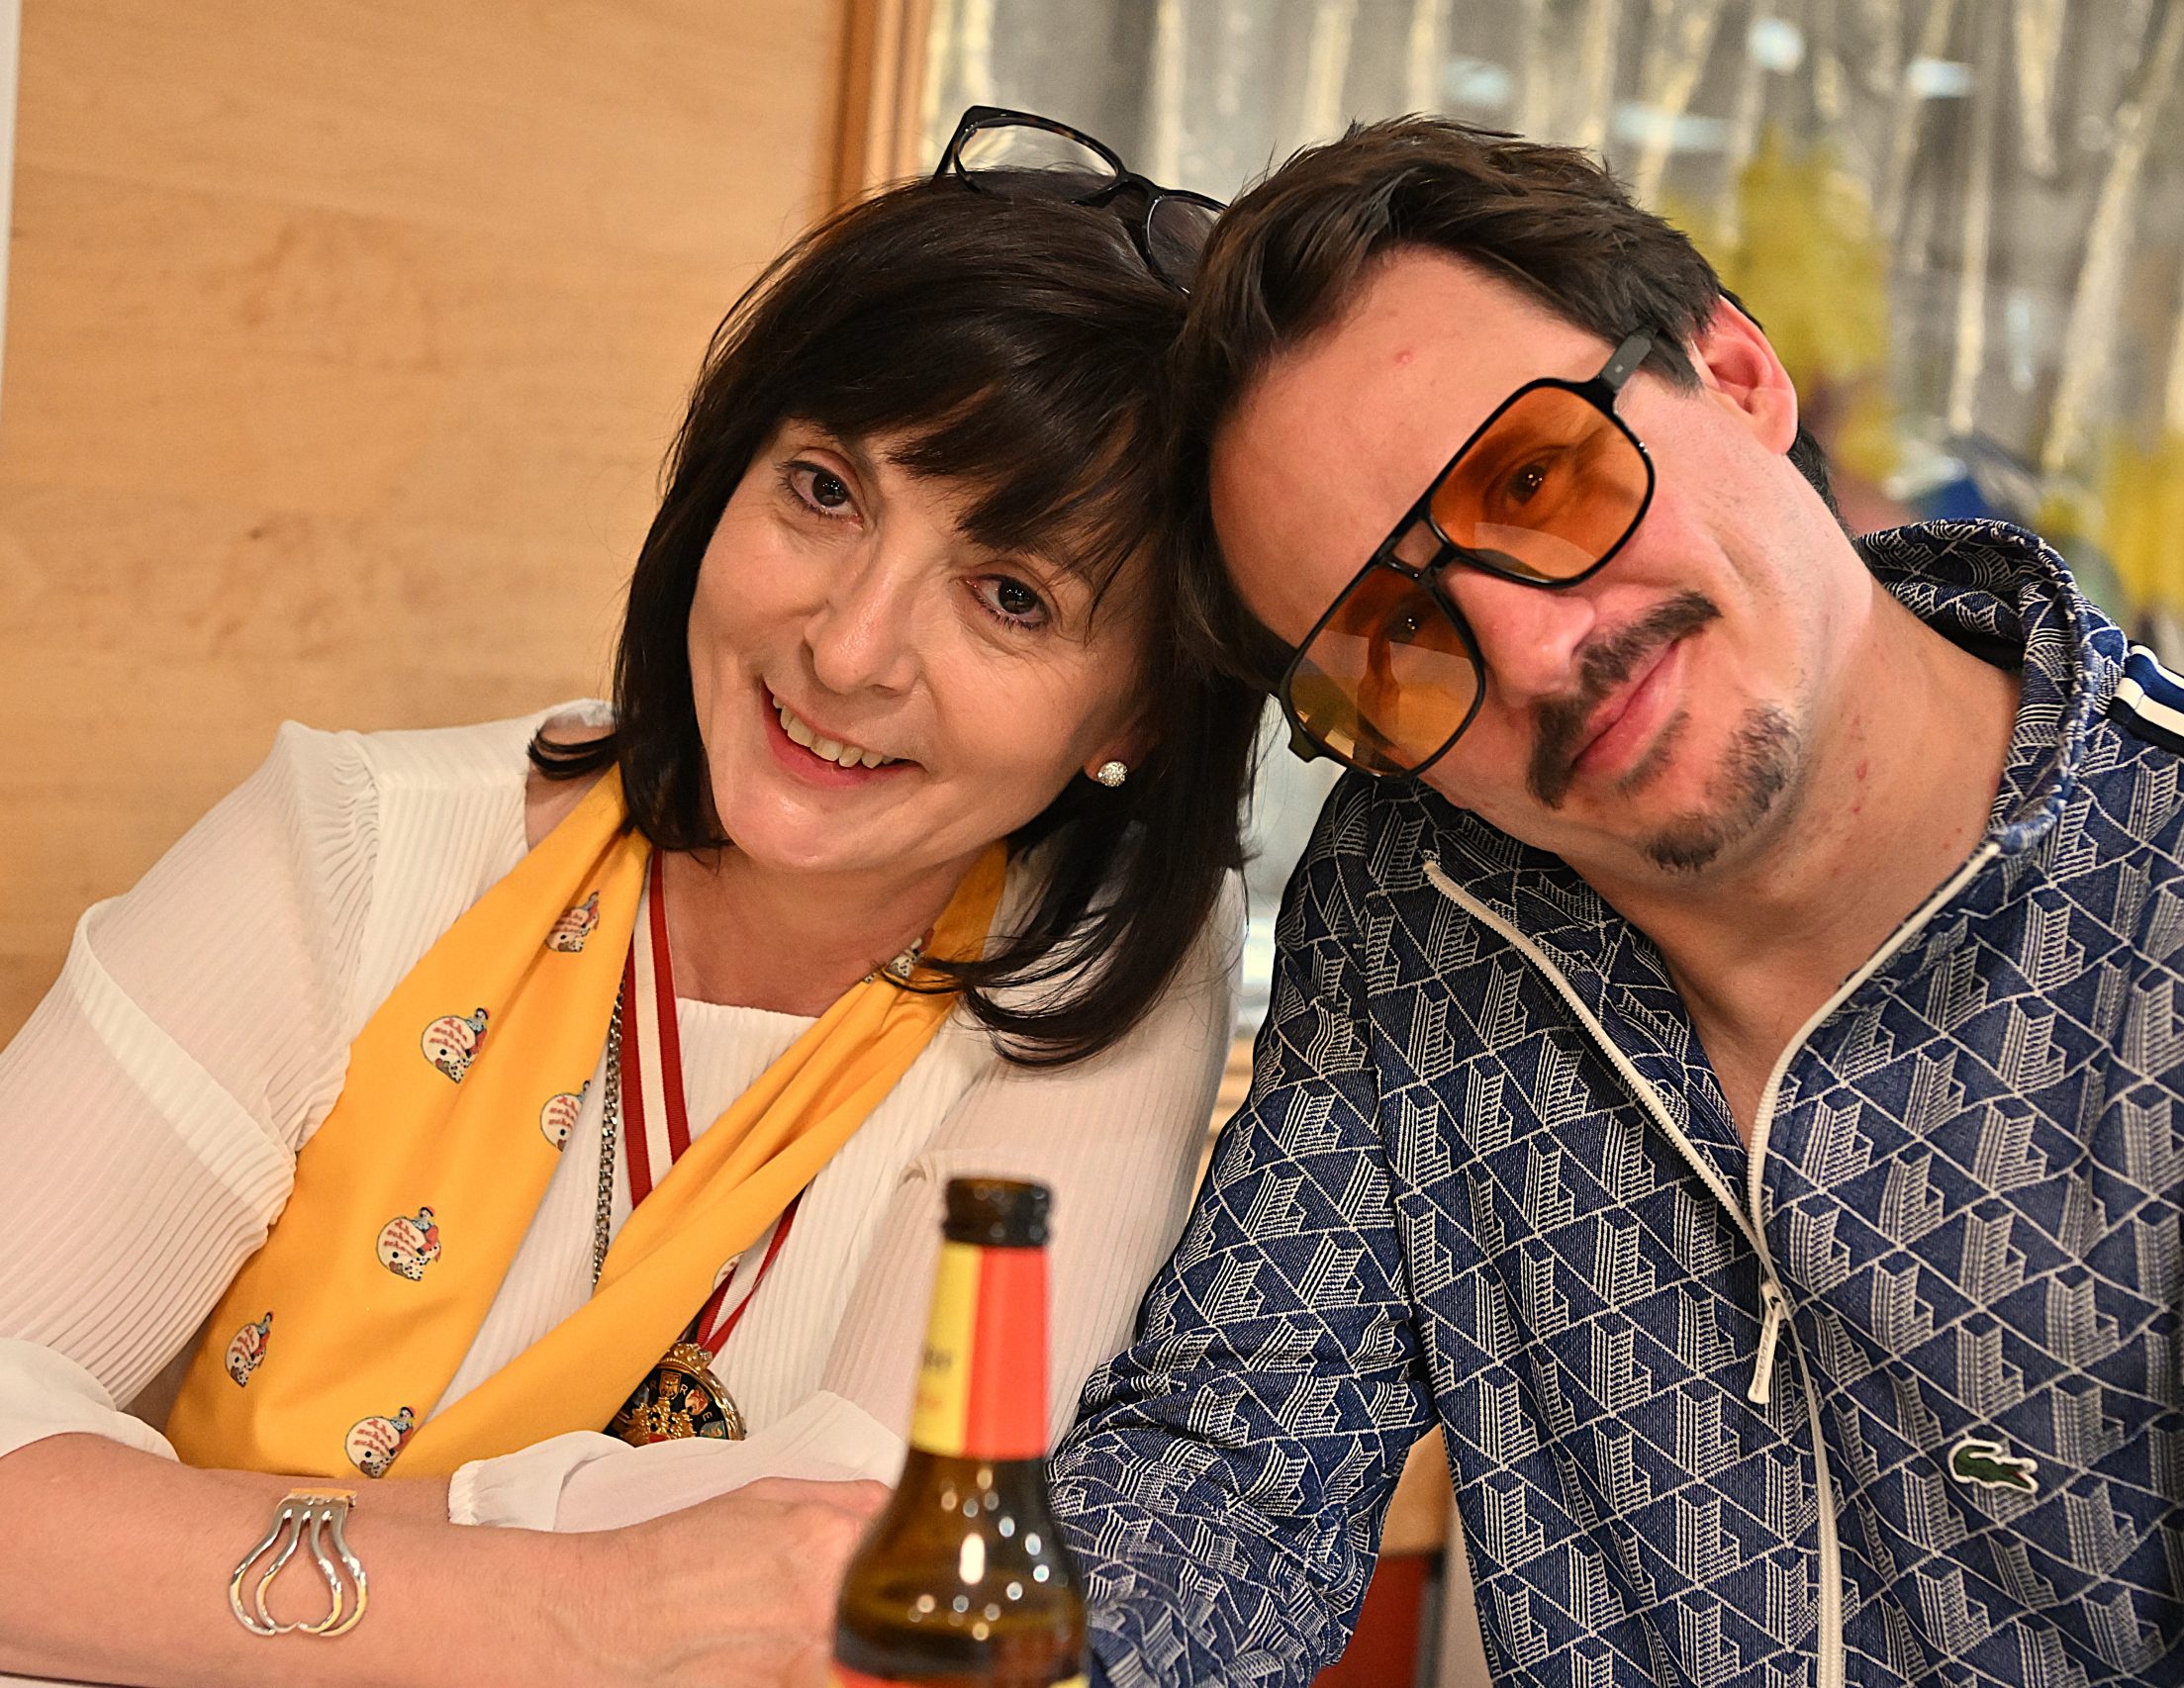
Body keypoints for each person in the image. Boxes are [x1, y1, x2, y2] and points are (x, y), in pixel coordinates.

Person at [1051, 117, 2184, 1688]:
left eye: (1536, 478)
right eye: (1395, 637)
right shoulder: (1415, 896)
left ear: (1740, 374)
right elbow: (1228, 1482)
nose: (1534, 653)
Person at [0, 109, 1258, 1688]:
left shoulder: (1098, 978)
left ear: (1144, 713)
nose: (848, 647)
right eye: (824, 491)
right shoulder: (354, 847)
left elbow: (871, 1570)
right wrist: (582, 1602)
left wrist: (144, 1547)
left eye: (1011, 595)